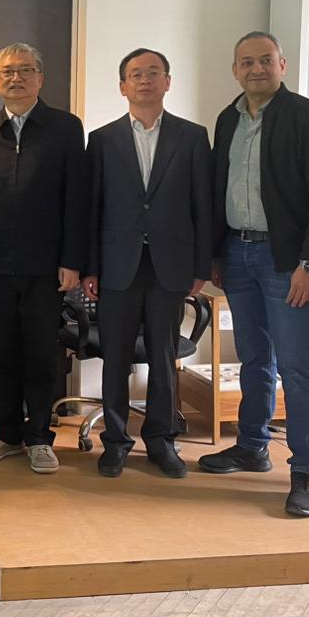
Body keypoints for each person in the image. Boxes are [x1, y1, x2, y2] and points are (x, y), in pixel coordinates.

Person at [198, 32, 309, 518]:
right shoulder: (228, 119)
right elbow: (219, 187)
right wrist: (216, 253)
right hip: (236, 253)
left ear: (283, 64)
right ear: (235, 69)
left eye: (265, 60)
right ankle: (251, 446)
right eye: (246, 62)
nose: (256, 69)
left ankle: (305, 469)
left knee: (297, 366)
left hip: (287, 261)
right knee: (254, 357)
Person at [82, 48, 211, 479]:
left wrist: (201, 267)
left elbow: (202, 206)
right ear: (123, 87)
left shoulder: (192, 137)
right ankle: (116, 442)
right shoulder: (102, 140)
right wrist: (90, 267)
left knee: (163, 355)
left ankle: (161, 440)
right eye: (135, 74)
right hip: (117, 264)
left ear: (167, 82)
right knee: (116, 358)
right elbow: (93, 208)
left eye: (153, 73)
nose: (144, 80)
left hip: (170, 266)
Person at [0, 42, 86, 474]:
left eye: (25, 70)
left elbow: (75, 199)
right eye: (7, 72)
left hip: (47, 267)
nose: (16, 78)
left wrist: (72, 260)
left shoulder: (65, 128)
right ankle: (5, 433)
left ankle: (39, 438)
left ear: (40, 78)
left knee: (41, 354)